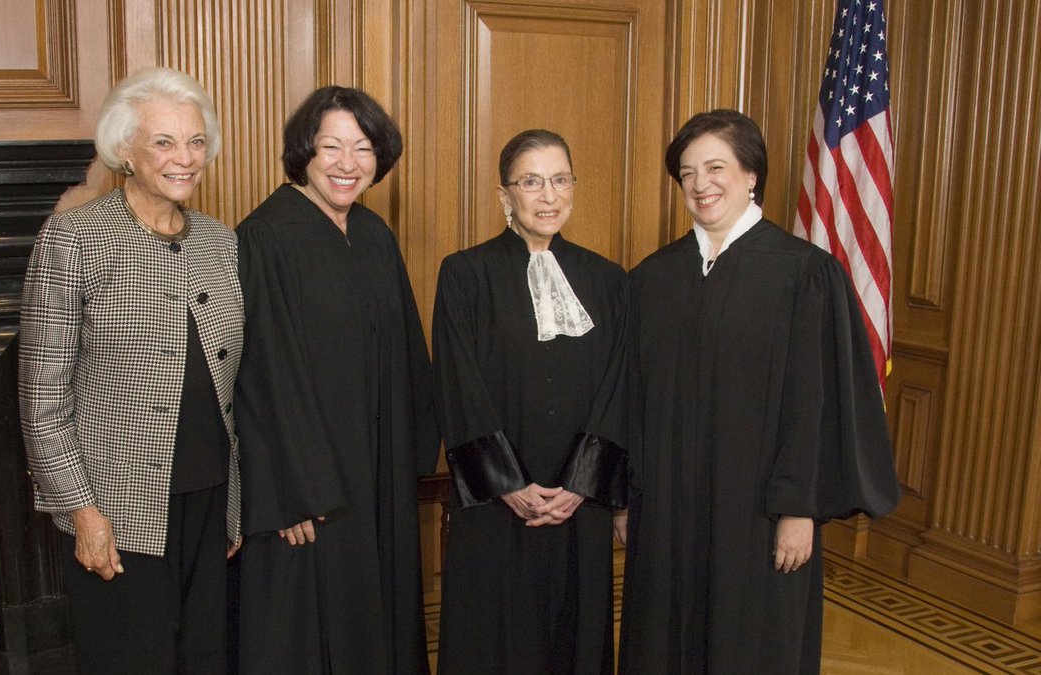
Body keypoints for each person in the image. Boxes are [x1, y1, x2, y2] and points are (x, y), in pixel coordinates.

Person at [616, 109, 901, 674]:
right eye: (688, 172)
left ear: (751, 175)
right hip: (667, 507)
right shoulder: (652, 278)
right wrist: (626, 497)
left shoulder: (804, 275)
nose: (701, 184)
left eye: (716, 167)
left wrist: (799, 508)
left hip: (759, 512)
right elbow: (630, 398)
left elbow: (811, 403)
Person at [17, 67, 244, 674]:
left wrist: (237, 506)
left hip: (211, 498)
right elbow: (42, 399)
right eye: (165, 142)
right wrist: (82, 514)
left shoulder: (220, 244)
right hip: (118, 508)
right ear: (125, 150)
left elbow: (237, 387)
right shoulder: (74, 239)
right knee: (133, 661)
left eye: (196, 141)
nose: (186, 158)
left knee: (206, 659)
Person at [232, 85, 438, 674]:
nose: (348, 164)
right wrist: (284, 493)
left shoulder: (374, 235)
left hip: (376, 475)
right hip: (307, 495)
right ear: (304, 151)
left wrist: (412, 456)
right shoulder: (265, 237)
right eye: (332, 147)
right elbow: (254, 377)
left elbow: (405, 351)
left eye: (363, 148)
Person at [433, 129, 629, 674]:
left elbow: (619, 387)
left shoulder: (609, 281)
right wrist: (507, 483)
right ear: (505, 196)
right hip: (496, 504)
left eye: (560, 180)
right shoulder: (464, 274)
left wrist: (582, 484)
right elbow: (457, 384)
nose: (549, 196)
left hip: (577, 503)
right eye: (532, 182)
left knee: (573, 636)